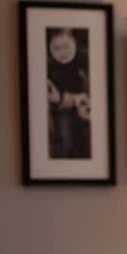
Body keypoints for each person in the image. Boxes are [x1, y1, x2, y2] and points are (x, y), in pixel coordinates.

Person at [46, 28, 91, 159]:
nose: (63, 52)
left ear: (75, 44)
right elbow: (53, 96)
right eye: (56, 48)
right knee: (65, 135)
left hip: (83, 112)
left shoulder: (84, 67)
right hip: (61, 113)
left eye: (67, 46)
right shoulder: (50, 71)